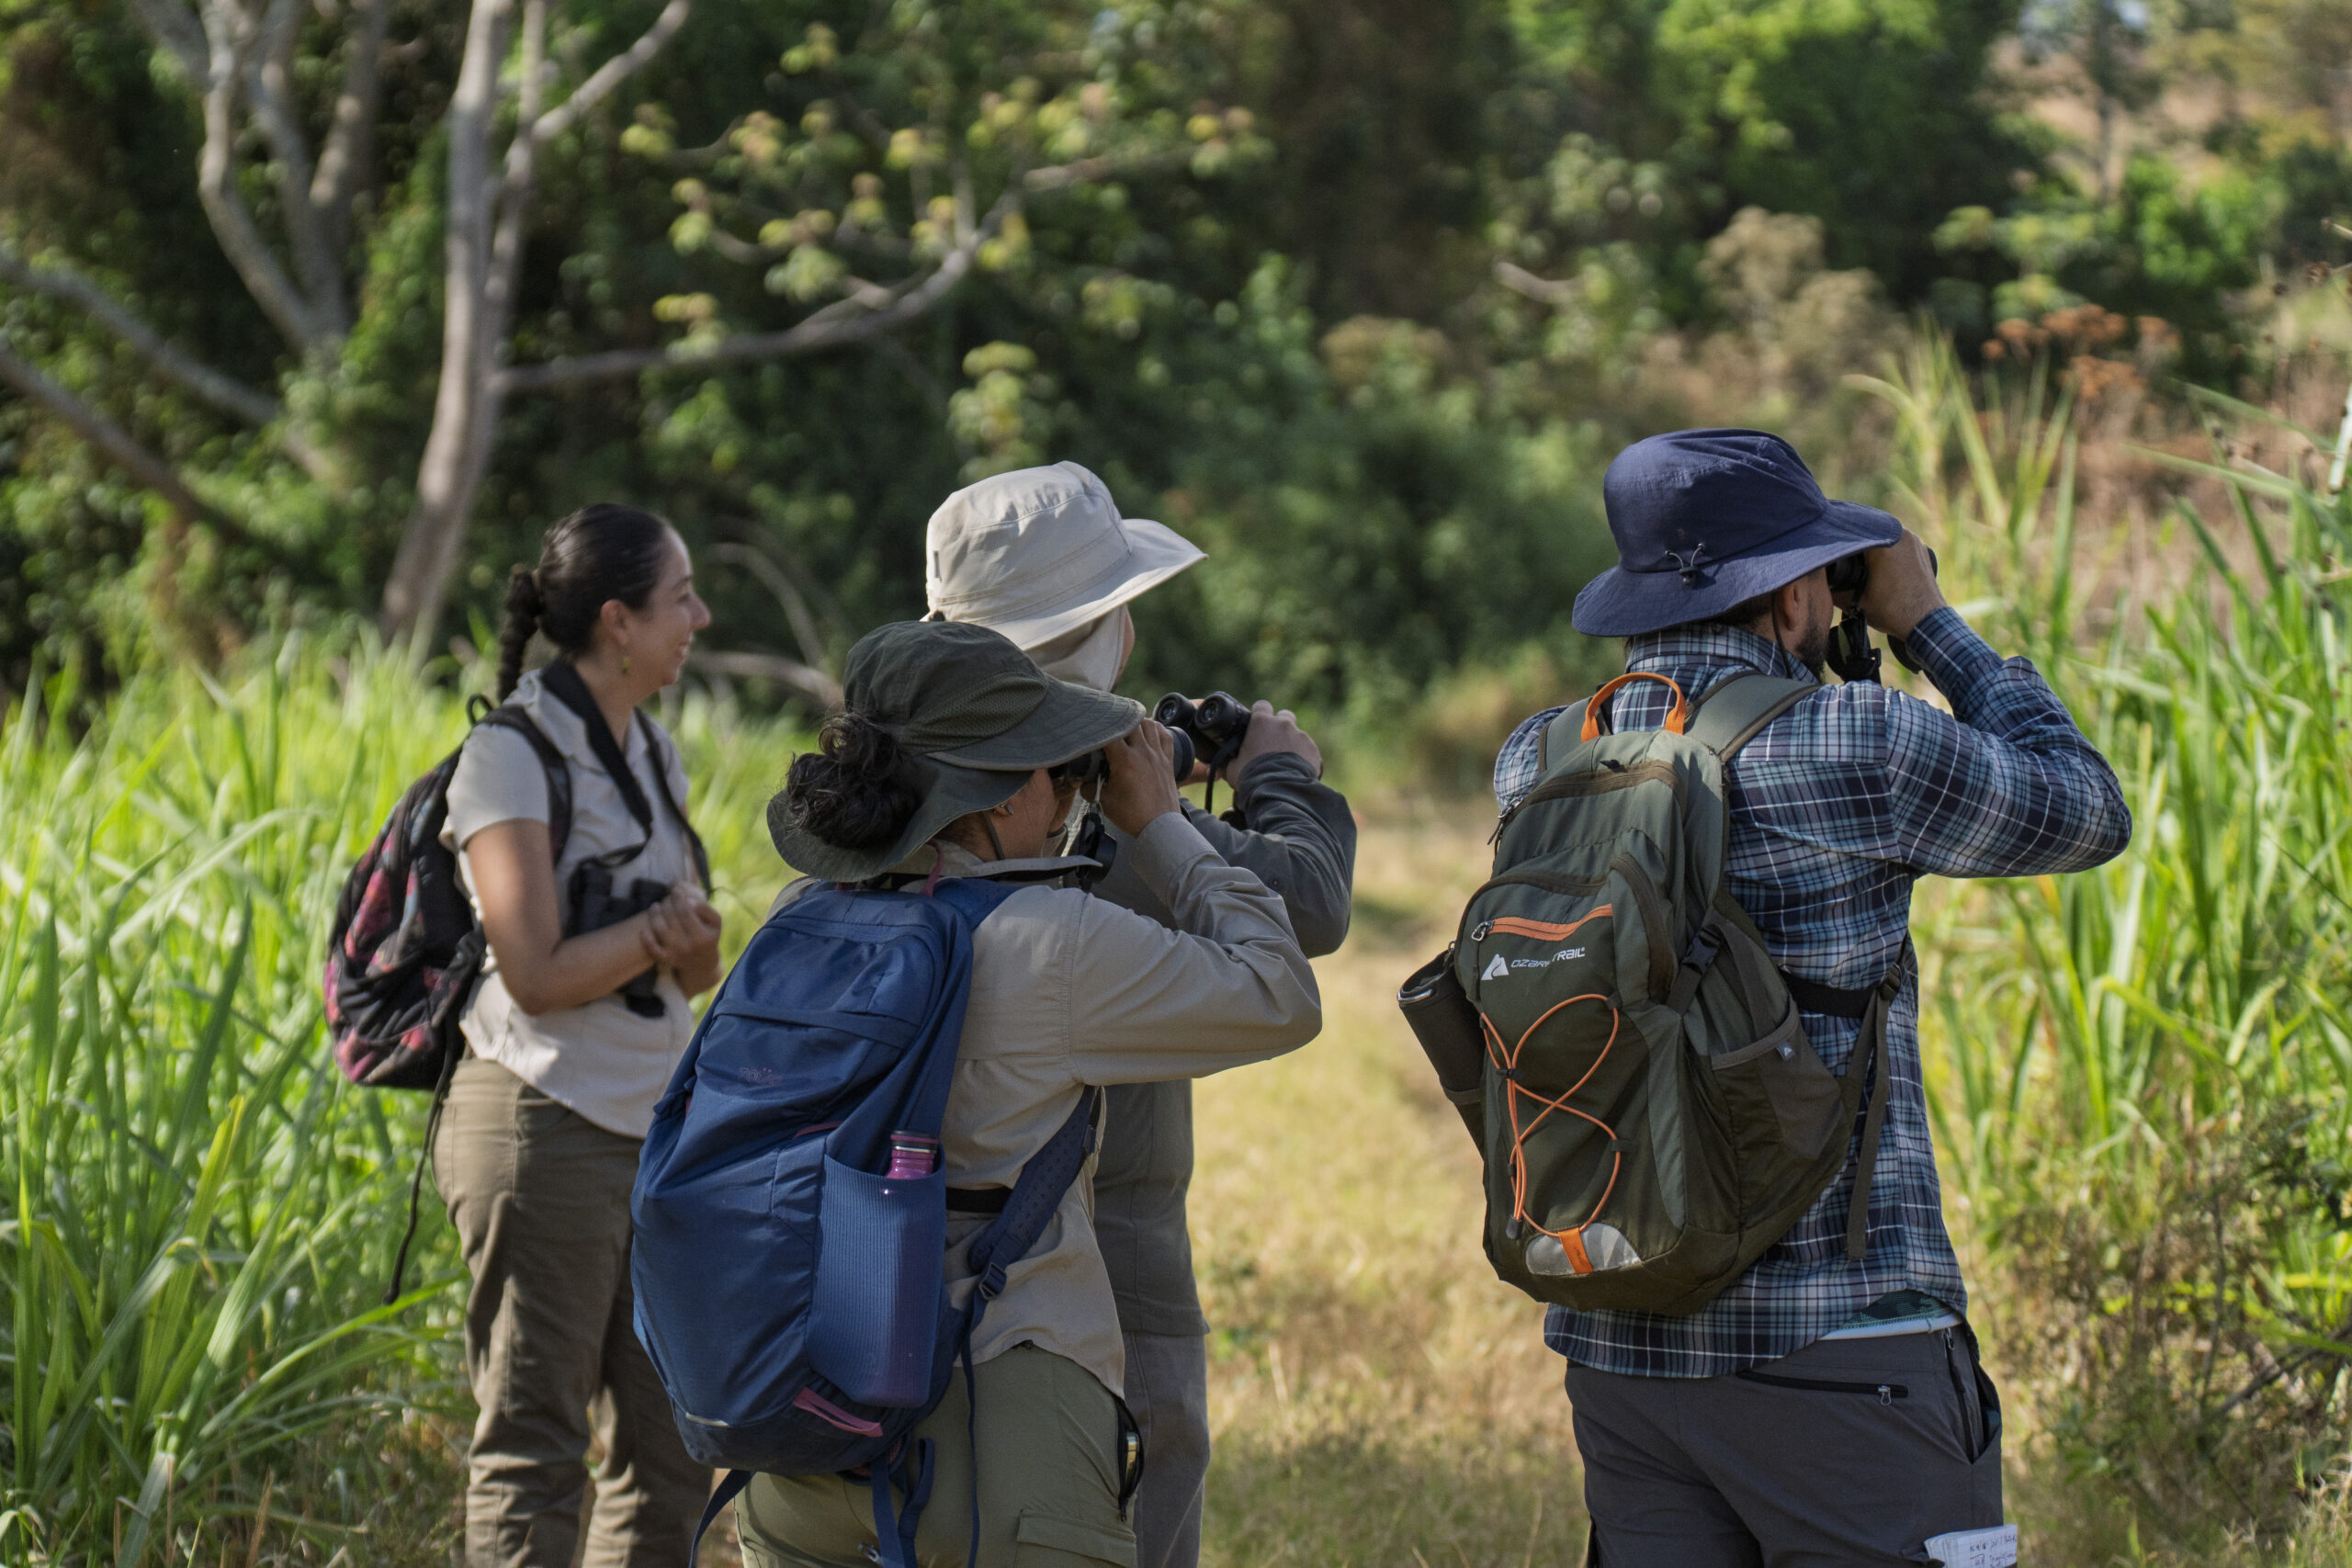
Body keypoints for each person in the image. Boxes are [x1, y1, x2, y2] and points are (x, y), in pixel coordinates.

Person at [1491, 430, 2132, 1566]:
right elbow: (2085, 807)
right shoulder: (1857, 740)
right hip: (1843, 1350)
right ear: (1795, 594)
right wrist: (1925, 622)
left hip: (1623, 1342)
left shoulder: (1539, 757)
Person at [736, 618, 1324, 1568]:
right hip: (998, 1415)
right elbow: (1280, 992)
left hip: (801, 1410)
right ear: (1001, 790)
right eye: (1056, 769)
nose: (1065, 795)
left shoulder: (794, 920)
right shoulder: (1051, 939)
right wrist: (1162, 826)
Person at [922, 462, 1357, 1568]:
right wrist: (1279, 782)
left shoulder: (889, 799)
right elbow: (1304, 911)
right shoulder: (1093, 814)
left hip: (889, 1254)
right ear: (1100, 633)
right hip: (1108, 1259)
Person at [434, 503, 723, 1568]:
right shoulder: (509, 755)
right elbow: (536, 971)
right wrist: (654, 929)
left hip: (650, 1134)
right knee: (535, 1445)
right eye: (680, 597)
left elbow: (692, 974)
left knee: (674, 1448)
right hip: (538, 1125)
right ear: (617, 622)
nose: (700, 614)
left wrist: (691, 941)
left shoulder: (655, 755)